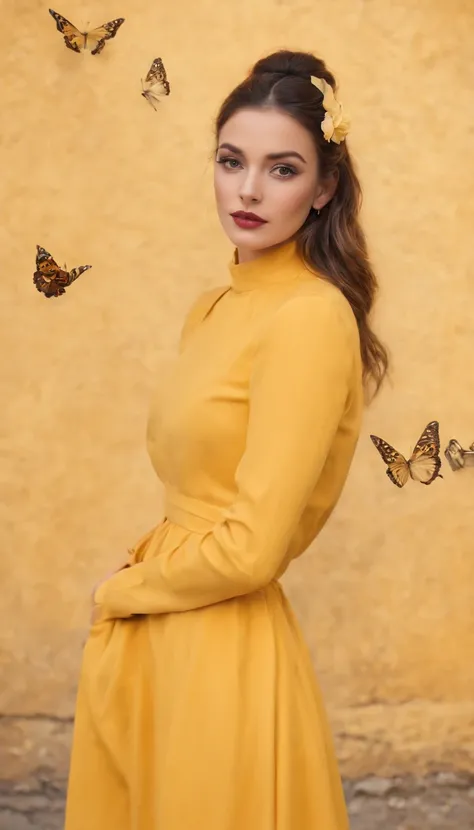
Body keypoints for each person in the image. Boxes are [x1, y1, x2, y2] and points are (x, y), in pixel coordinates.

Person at [64, 49, 388, 830]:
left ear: (325, 188)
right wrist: (141, 569)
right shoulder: (213, 308)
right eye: (231, 160)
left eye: (282, 169)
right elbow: (198, 494)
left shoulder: (309, 317)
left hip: (220, 653)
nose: (247, 190)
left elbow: (252, 547)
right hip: (161, 637)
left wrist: (121, 591)